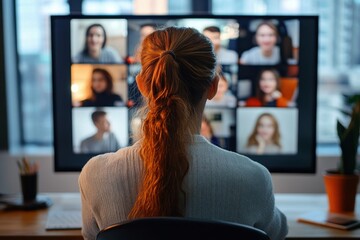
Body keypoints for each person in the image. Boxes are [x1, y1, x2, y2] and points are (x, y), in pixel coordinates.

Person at [78, 27, 288, 240]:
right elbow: (277, 233)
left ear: (142, 85)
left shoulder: (95, 174)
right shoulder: (253, 178)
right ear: (213, 87)